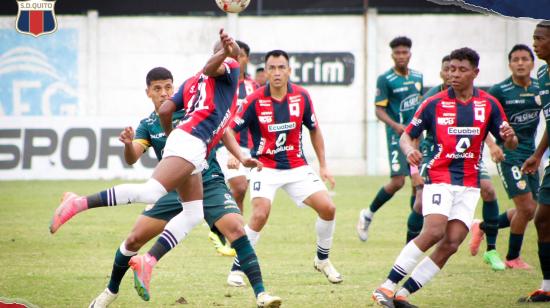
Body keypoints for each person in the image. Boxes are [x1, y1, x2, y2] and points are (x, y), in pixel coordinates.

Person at [49, 67, 280, 307]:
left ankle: (261, 294)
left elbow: (223, 130)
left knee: (236, 230)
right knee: (133, 240)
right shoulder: (148, 124)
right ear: (148, 92)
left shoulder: (190, 109)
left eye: (168, 87)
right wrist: (128, 144)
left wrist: (240, 156)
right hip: (172, 189)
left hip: (209, 181)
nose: (164, 93)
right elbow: (132, 157)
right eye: (157, 88)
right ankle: (111, 290)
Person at [372, 47, 517, 308]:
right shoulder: (434, 103)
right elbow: (407, 135)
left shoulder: (487, 104)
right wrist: (410, 151)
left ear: (475, 73)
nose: (454, 74)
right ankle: (386, 287)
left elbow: (511, 143)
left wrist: (509, 137)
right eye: (450, 69)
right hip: (440, 177)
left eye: (462, 70)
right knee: (434, 231)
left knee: (452, 243)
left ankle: (403, 295)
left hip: (469, 183)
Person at [226, 49, 342, 287]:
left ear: (289, 70)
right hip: (264, 167)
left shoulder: (302, 96)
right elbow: (229, 129)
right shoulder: (254, 100)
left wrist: (323, 165)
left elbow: (314, 129)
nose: (277, 72)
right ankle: (237, 268)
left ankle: (322, 259)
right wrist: (235, 154)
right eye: (272, 68)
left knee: (328, 208)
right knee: (259, 214)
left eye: (281, 67)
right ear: (265, 72)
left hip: (297, 166)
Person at [470, 44, 541, 271]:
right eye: (515, 59)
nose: (520, 63)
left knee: (532, 210)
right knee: (527, 208)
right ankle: (512, 257)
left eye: (524, 59)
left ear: (532, 62)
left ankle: (483, 226)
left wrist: (539, 153)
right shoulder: (500, 91)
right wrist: (492, 145)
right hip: (509, 155)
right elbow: (479, 121)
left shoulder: (540, 89)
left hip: (531, 156)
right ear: (509, 64)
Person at [357, 36, 424, 242]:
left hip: (417, 137)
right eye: (397, 53)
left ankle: (415, 232)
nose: (401, 56)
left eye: (404, 52)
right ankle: (368, 214)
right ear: (392, 55)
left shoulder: (418, 77)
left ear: (410, 54)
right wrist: (396, 126)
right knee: (397, 182)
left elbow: (420, 105)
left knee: (417, 183)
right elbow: (378, 110)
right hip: (397, 138)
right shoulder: (385, 79)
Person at [210, 40, 259, 257]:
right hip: (225, 145)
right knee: (238, 187)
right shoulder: (220, 82)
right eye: (232, 55)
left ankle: (234, 236)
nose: (236, 59)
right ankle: (217, 225)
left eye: (240, 55)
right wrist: (233, 152)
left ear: (246, 58)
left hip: (250, 147)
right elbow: (222, 117)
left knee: (240, 193)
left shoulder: (253, 87)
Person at [518, 20, 550, 303]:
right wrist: (539, 154)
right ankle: (547, 286)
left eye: (540, 38)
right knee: (542, 219)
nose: (535, 43)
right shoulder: (542, 73)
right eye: (534, 38)